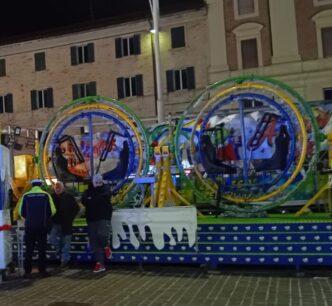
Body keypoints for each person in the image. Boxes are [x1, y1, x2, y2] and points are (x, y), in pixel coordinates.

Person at [18, 179, 56, 278]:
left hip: (29, 227)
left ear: (32, 185)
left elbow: (20, 212)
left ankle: (27, 272)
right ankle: (42, 271)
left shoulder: (26, 196)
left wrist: (28, 219)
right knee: (41, 249)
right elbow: (53, 210)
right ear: (41, 185)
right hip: (42, 226)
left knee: (29, 249)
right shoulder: (46, 195)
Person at [81, 174, 112, 273]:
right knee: (94, 241)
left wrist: (92, 200)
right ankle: (100, 263)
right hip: (91, 218)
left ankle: (106, 245)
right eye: (96, 182)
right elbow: (85, 200)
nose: (98, 184)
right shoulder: (87, 191)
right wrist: (95, 200)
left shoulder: (106, 189)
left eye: (99, 182)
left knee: (102, 235)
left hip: (103, 216)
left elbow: (104, 198)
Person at [49, 181, 79, 268]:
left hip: (66, 223)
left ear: (63, 188)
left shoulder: (69, 197)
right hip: (55, 223)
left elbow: (76, 208)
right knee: (52, 238)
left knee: (66, 242)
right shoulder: (51, 197)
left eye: (59, 188)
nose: (57, 189)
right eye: (56, 188)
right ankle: (60, 250)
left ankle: (64, 261)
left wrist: (70, 218)